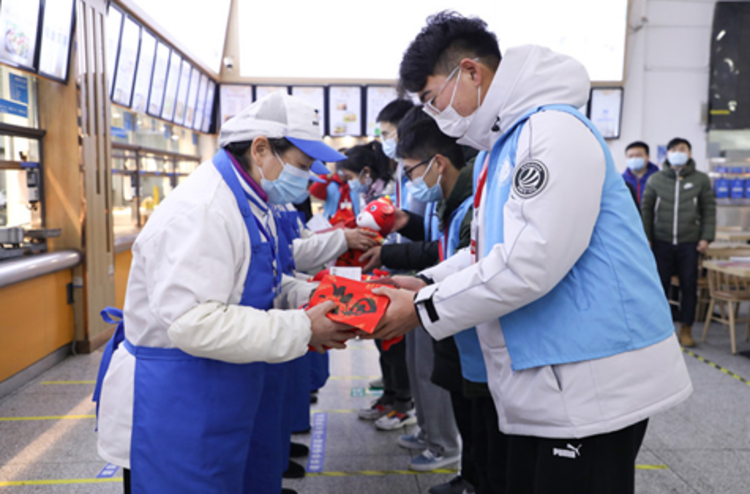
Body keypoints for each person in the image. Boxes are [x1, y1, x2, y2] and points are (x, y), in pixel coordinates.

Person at [363, 12, 693, 494]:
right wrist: (430, 283)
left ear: (472, 72)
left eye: (434, 99)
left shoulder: (551, 132)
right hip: (552, 377)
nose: (434, 115)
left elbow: (529, 262)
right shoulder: (505, 145)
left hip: (590, 380)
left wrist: (421, 308)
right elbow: (485, 251)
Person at [93, 92, 356, 494]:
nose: (307, 180)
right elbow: (192, 323)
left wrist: (308, 295)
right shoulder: (205, 209)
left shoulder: (251, 200)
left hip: (216, 390)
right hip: (174, 403)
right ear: (261, 149)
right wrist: (303, 328)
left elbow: (258, 279)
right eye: (301, 167)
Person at [641, 137, 717, 347]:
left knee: (688, 286)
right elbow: (645, 210)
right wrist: (646, 236)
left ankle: (686, 329)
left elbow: (708, 210)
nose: (677, 152)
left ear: (689, 153)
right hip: (661, 242)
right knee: (659, 287)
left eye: (681, 149)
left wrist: (706, 237)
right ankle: (659, 331)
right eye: (673, 149)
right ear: (667, 154)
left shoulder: (701, 179)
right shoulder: (656, 179)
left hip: (689, 243)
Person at [622, 141, 659, 206]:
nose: (634, 158)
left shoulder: (659, 178)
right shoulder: (621, 180)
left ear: (648, 157)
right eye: (630, 156)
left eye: (638, 155)